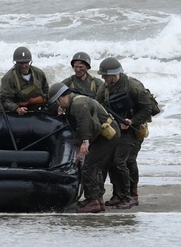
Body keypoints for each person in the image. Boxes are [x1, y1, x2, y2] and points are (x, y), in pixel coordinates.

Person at [49, 81, 120, 214]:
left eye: (58, 102)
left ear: (62, 97)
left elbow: (85, 123)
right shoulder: (73, 104)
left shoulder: (78, 104)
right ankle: (97, 199)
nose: (58, 105)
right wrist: (78, 148)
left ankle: (94, 201)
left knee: (90, 166)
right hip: (99, 134)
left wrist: (85, 142)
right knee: (93, 166)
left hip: (107, 135)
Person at [98, 57, 154, 207]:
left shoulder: (133, 86)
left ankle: (131, 195)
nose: (103, 78)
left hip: (133, 130)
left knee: (124, 161)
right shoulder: (105, 88)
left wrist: (132, 121)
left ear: (114, 74)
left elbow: (147, 108)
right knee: (112, 162)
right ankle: (118, 194)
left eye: (105, 75)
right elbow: (98, 105)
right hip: (116, 130)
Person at [0, 46, 50, 114]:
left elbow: (46, 93)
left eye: (26, 63)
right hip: (15, 113)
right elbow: (4, 100)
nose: (24, 66)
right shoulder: (9, 78)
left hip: (37, 110)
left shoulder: (39, 74)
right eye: (20, 63)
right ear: (16, 62)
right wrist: (17, 109)